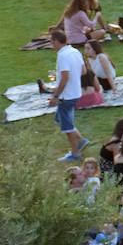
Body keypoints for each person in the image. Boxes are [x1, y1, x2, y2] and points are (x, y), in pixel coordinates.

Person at [46, 29, 88, 162]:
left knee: (67, 127)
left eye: (51, 42)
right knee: (60, 118)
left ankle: (75, 153)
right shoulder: (75, 51)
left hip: (66, 96)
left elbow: (65, 77)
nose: (51, 45)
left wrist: (56, 96)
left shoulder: (62, 55)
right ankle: (81, 140)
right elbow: (83, 71)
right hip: (76, 92)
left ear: (56, 41)